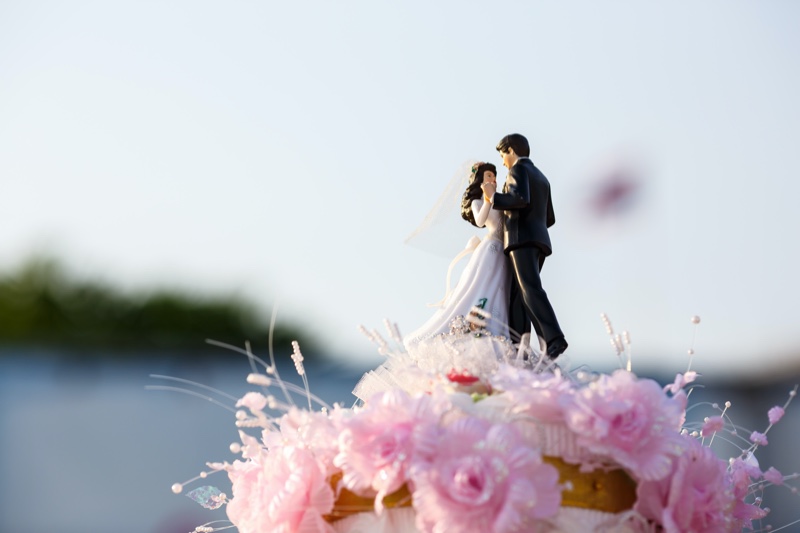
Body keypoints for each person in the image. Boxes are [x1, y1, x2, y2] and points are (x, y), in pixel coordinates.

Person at [403, 162, 510, 351]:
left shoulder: (500, 199)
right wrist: (487, 199)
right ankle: (472, 328)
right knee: (480, 288)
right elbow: (480, 220)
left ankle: (497, 333)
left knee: (498, 289)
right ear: (479, 180)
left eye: (494, 176)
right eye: (488, 176)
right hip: (491, 248)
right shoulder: (479, 202)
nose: (492, 179)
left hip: (502, 251)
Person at [481, 133, 568, 359]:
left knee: (529, 288)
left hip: (521, 239)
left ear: (511, 150)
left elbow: (520, 199)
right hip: (539, 239)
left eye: (502, 155)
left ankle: (554, 339)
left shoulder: (517, 170)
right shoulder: (542, 177)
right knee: (519, 295)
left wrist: (494, 197)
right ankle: (520, 348)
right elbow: (550, 217)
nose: (502, 161)